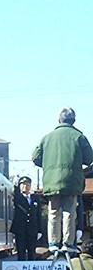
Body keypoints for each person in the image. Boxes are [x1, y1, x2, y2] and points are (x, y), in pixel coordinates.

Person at [32, 107, 93, 251]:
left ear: (59, 120)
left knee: (53, 212)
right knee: (69, 213)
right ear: (74, 121)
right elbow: (90, 158)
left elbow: (35, 158)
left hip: (52, 182)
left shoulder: (47, 138)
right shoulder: (79, 137)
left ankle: (53, 243)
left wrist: (48, 163)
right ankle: (68, 243)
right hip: (72, 182)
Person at [9, 176, 41, 260]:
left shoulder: (35, 198)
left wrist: (39, 230)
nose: (25, 186)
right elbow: (14, 194)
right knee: (21, 253)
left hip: (32, 230)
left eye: (27, 184)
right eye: (23, 184)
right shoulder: (18, 198)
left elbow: (38, 215)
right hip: (20, 230)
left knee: (32, 253)